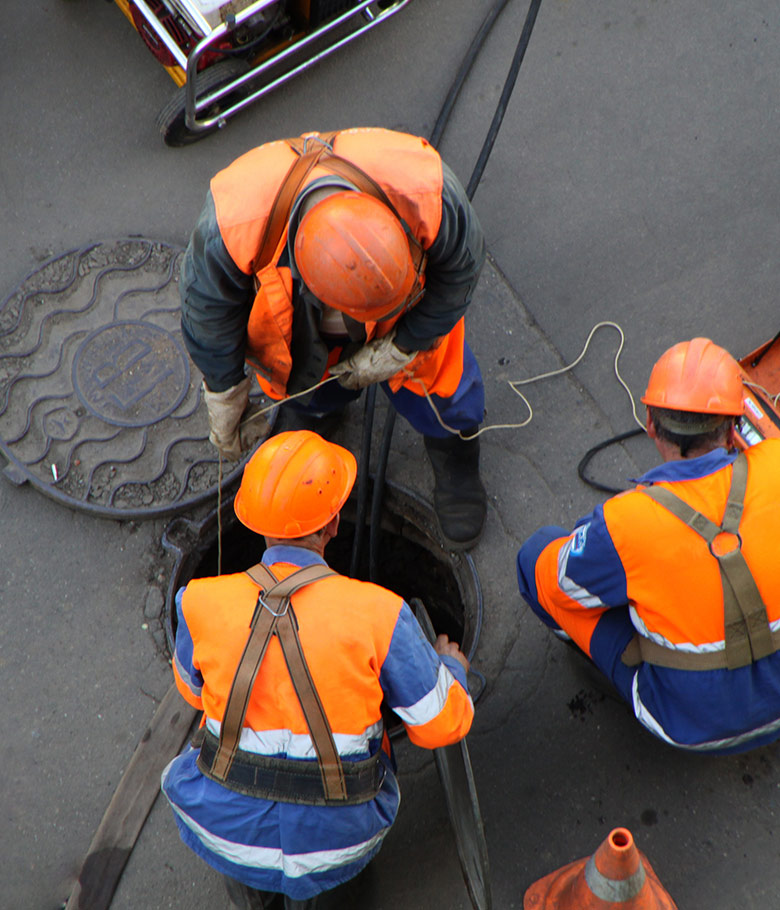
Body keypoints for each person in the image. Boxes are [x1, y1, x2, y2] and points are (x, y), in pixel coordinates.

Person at [162, 430, 474, 909]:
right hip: (339, 842)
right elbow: (440, 726)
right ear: (332, 526)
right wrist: (450, 667)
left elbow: (192, 693)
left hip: (224, 831)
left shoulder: (199, 601)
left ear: (254, 522)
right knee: (329, 876)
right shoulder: (379, 613)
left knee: (248, 864)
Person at [179, 126, 487, 550]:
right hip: (302, 321)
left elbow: (460, 275)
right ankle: (317, 410)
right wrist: (226, 390)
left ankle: (453, 451)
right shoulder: (233, 221)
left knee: (441, 383)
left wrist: (405, 342)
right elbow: (206, 315)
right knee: (304, 372)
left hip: (411, 310)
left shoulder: (428, 191)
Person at [516, 337, 780, 754]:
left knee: (536, 555)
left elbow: (558, 585)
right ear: (735, 429)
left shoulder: (625, 522)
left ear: (651, 425)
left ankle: (594, 659)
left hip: (691, 724)